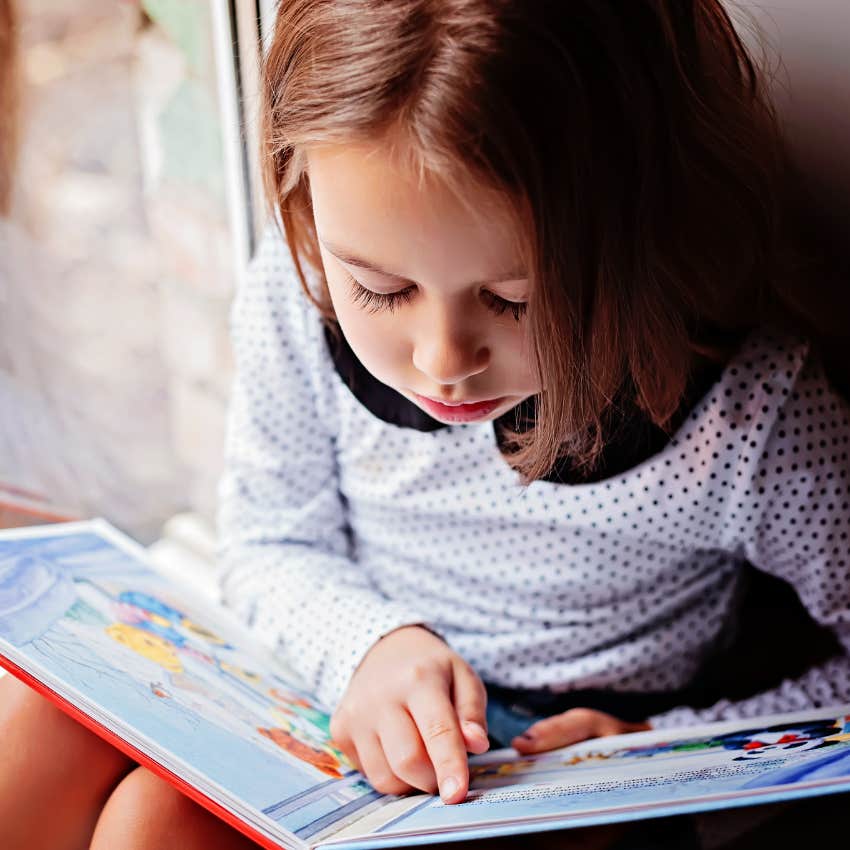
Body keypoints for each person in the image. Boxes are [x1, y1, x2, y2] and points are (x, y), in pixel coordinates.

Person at [1, 2, 849, 848]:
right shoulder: (298, 296)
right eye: (382, 289)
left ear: (641, 233)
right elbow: (268, 542)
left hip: (567, 767)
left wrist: (678, 753)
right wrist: (368, 646)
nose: (445, 359)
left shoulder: (755, 417)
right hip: (347, 677)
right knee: (59, 737)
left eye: (515, 300)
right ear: (306, 206)